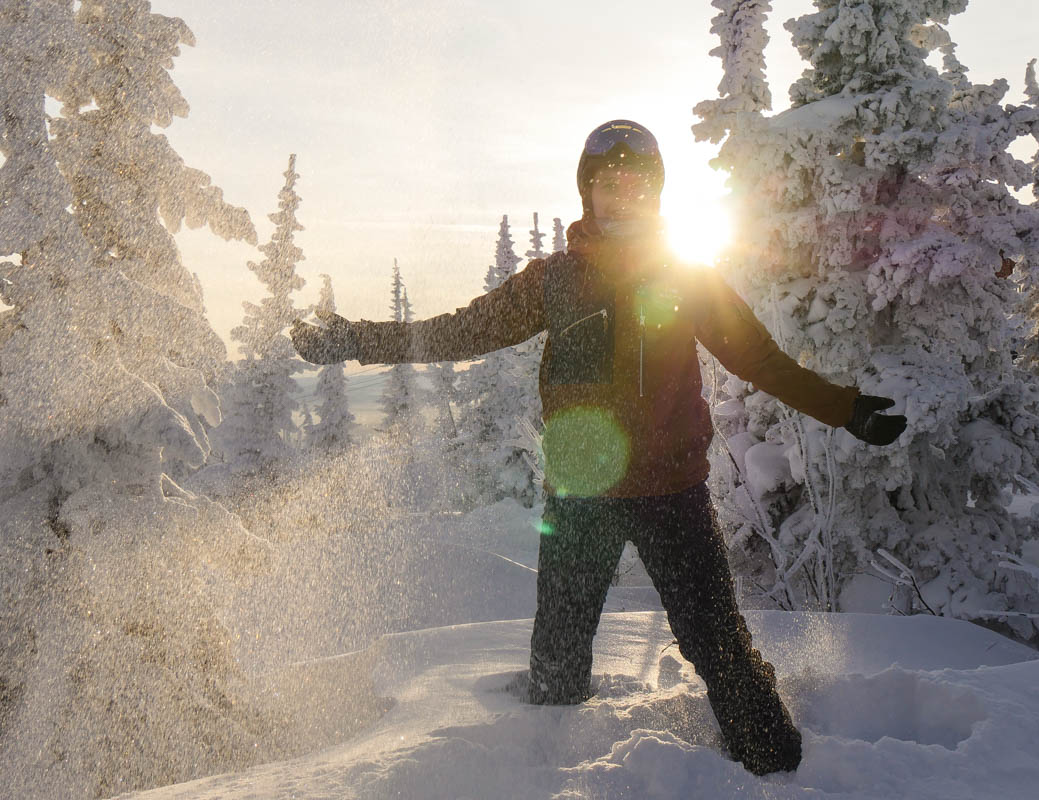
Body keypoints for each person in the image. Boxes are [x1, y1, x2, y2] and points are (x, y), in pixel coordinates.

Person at [290, 119, 907, 776]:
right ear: (588, 191)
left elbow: (759, 359)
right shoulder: (552, 281)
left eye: (637, 185)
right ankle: (548, 776)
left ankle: (778, 775)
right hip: (578, 497)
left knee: (719, 650)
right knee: (556, 660)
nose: (624, 197)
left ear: (655, 194)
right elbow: (460, 332)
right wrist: (355, 339)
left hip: (673, 494)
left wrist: (844, 408)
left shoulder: (686, 277)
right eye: (610, 184)